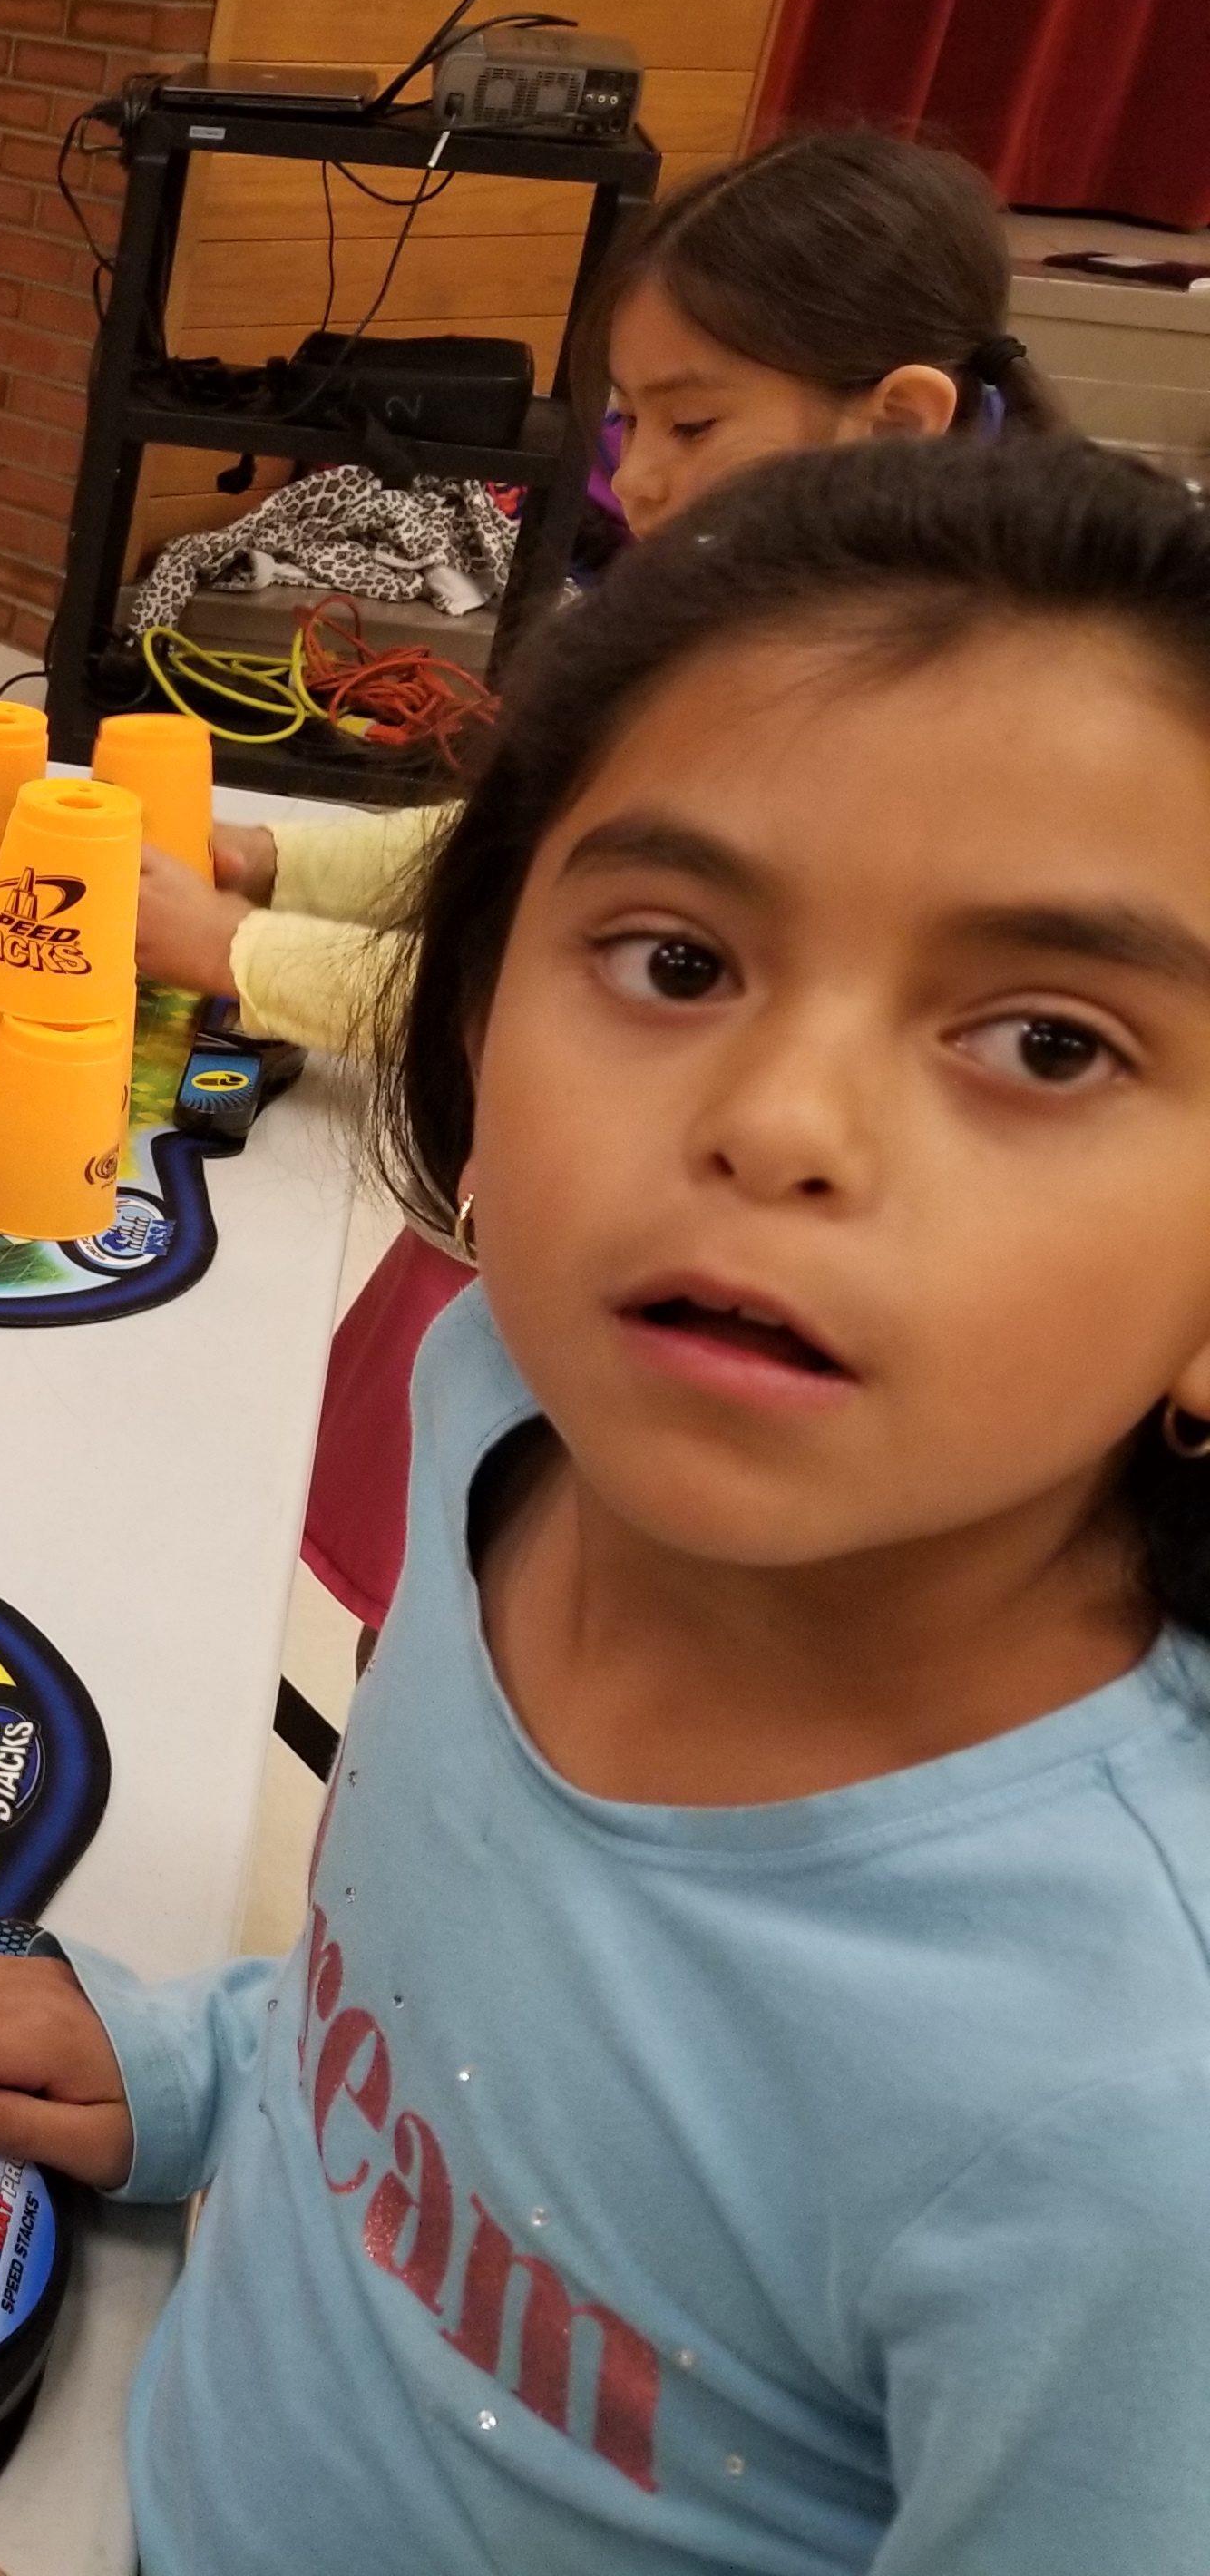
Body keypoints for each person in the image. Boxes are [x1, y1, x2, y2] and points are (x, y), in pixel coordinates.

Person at [0, 433, 1210, 2574]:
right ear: (478, 1019)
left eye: (1046, 1042)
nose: (779, 1123)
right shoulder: (505, 1409)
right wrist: (235, 2057)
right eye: (676, 962)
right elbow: (468, 1993)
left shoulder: (1139, 2120)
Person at [132, 126, 1059, 1635]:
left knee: (539, 1636)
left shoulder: (907, 719)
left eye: (693, 423)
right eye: (629, 423)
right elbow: (537, 853)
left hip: (670, 1339)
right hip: (534, 1271)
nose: (643, 479)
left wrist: (235, 951)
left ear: (895, 418)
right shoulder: (743, 620)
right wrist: (273, 855)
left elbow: (557, 979)